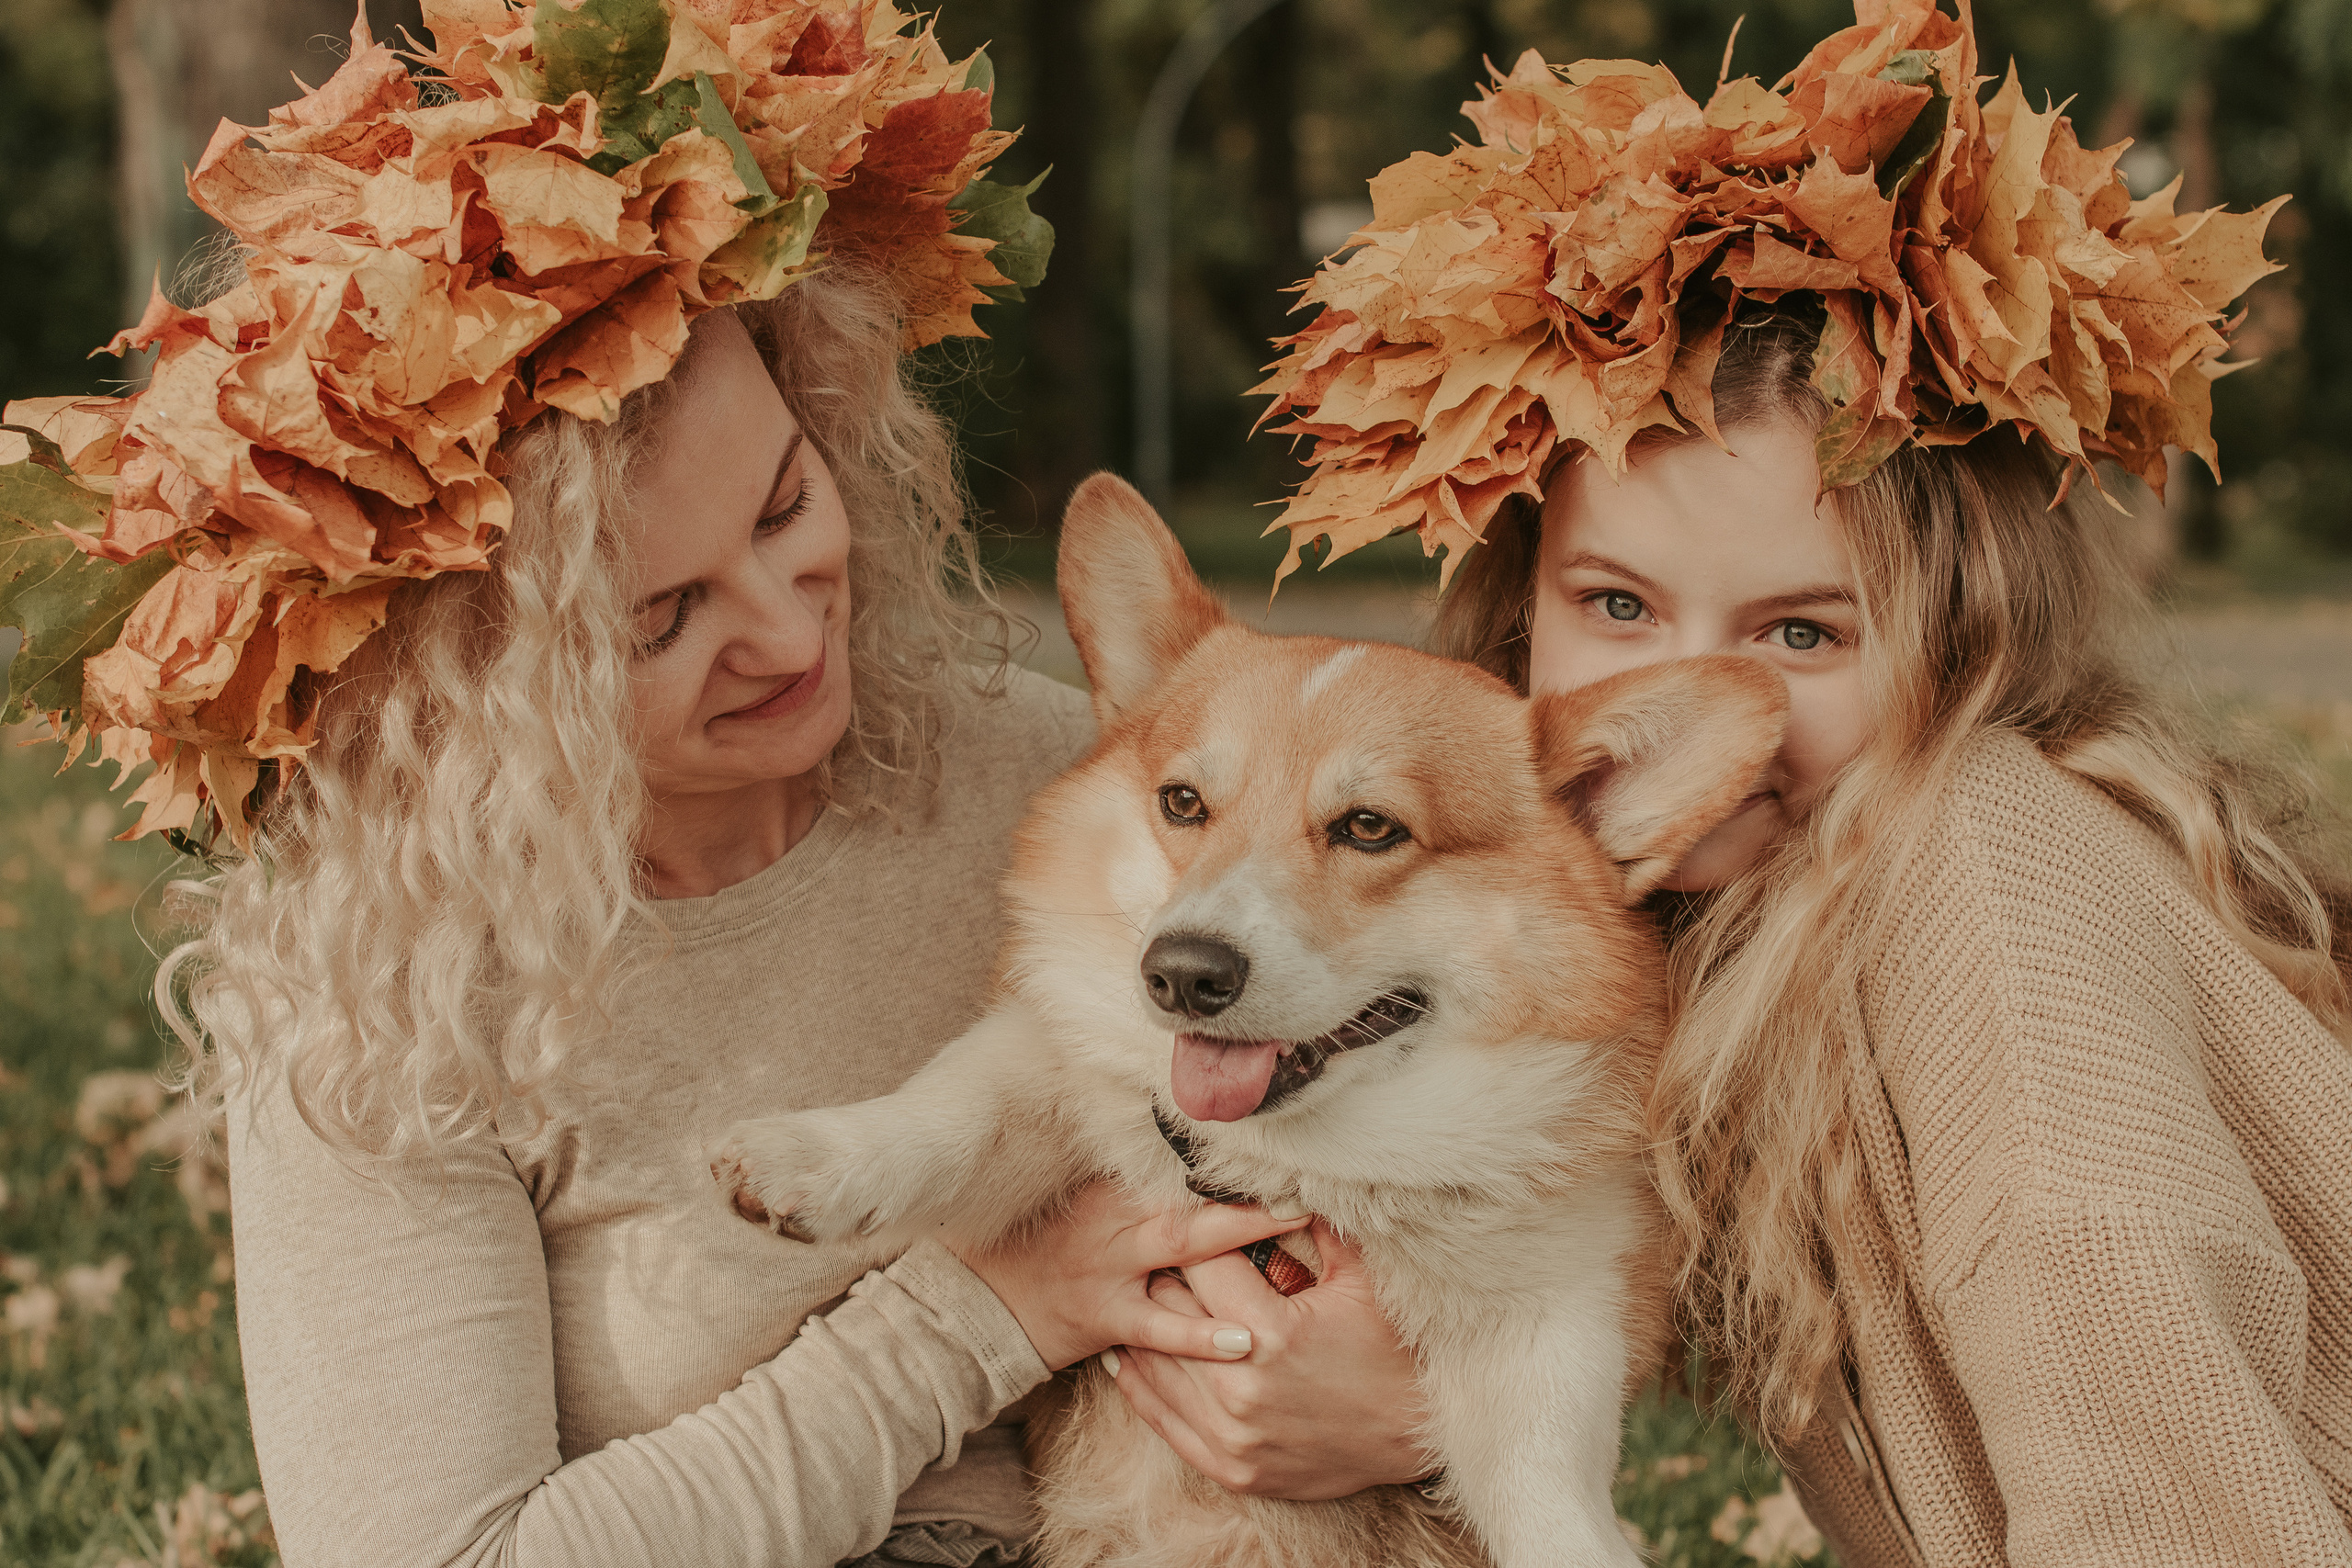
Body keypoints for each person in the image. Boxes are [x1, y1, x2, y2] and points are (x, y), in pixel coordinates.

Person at [0, 3, 1416, 1562]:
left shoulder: (1079, 793)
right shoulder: (381, 1007)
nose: (786, 626)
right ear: (464, 700)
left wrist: (1400, 1402)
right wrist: (991, 1310)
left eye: (783, 502)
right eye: (659, 621)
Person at [1251, 0, 2352, 1562]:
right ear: (1521, 611)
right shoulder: (1695, 911)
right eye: (1617, 609)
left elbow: (2157, 1486)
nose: (1699, 705)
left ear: (1958, 643)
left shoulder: (1989, 881)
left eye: (1801, 631)